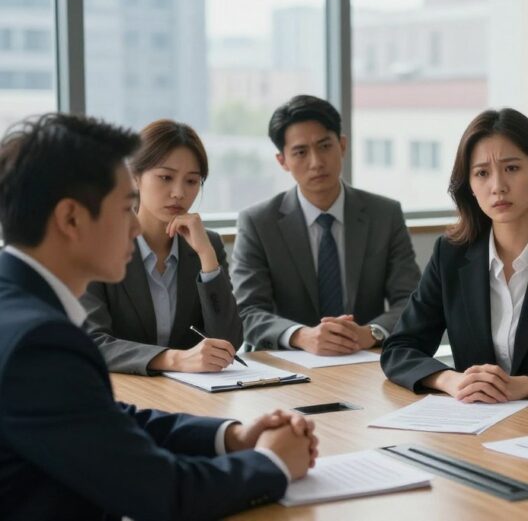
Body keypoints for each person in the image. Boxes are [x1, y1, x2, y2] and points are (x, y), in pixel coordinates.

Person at [0, 113, 317, 520]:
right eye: (124, 207)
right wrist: (272, 464)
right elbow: (162, 493)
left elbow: (108, 419)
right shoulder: (38, 343)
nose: (136, 225)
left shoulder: (21, 307)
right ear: (71, 219)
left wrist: (231, 436)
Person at [381, 108, 528, 413]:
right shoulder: (450, 255)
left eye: (512, 168)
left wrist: (523, 385)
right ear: (469, 185)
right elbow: (399, 349)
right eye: (482, 173)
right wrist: (449, 380)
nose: (498, 186)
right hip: (475, 427)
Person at [232, 95, 421, 355]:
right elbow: (247, 311)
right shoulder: (258, 222)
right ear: (282, 161)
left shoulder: (385, 214)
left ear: (342, 145)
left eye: (324, 146)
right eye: (300, 152)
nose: (316, 162)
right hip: (289, 367)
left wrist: (371, 332)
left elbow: (412, 299)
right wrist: (301, 336)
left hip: (363, 361)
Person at [81, 119, 243, 374]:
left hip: (191, 396)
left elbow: (229, 342)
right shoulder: (96, 245)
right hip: (122, 395)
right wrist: (172, 359)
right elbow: (92, 341)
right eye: (165, 177)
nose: (178, 192)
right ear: (135, 177)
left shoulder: (207, 243)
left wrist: (207, 259)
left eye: (191, 181)